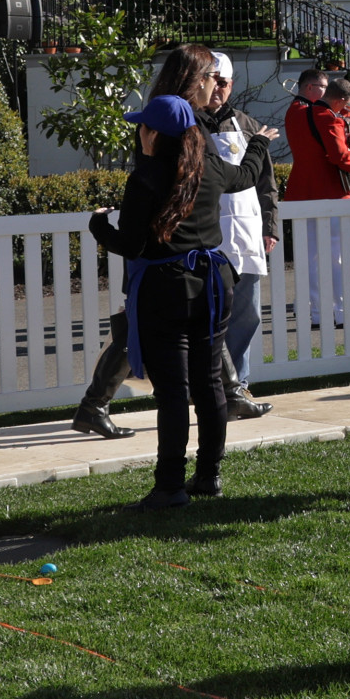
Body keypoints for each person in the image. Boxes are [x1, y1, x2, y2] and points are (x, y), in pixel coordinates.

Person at [92, 90, 273, 508]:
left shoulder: (146, 177)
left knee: (173, 390)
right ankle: (208, 476)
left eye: (142, 126)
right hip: (213, 282)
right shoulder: (208, 165)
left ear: (152, 133)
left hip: (166, 287)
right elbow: (244, 176)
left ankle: (170, 486)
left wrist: (99, 226)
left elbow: (132, 245)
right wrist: (260, 141)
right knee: (210, 383)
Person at [74, 45, 231, 437]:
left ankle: (95, 408)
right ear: (194, 79)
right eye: (212, 76)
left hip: (166, 268)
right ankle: (95, 406)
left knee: (172, 371)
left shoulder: (171, 149)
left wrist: (98, 226)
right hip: (180, 268)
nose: (217, 85)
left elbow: (137, 232)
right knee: (172, 358)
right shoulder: (182, 138)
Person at [205, 55, 278, 421]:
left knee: (246, 314)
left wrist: (270, 227)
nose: (217, 88)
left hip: (247, 233)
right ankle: (210, 388)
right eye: (211, 79)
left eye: (223, 82)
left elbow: (266, 183)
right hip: (207, 235)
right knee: (208, 316)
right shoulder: (191, 126)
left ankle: (240, 384)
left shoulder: (248, 125)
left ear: (232, 85)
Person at [285, 73, 350, 202]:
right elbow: (339, 154)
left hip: (300, 188)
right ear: (309, 87)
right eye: (324, 87)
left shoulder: (294, 110)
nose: (326, 91)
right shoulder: (327, 117)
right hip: (328, 190)